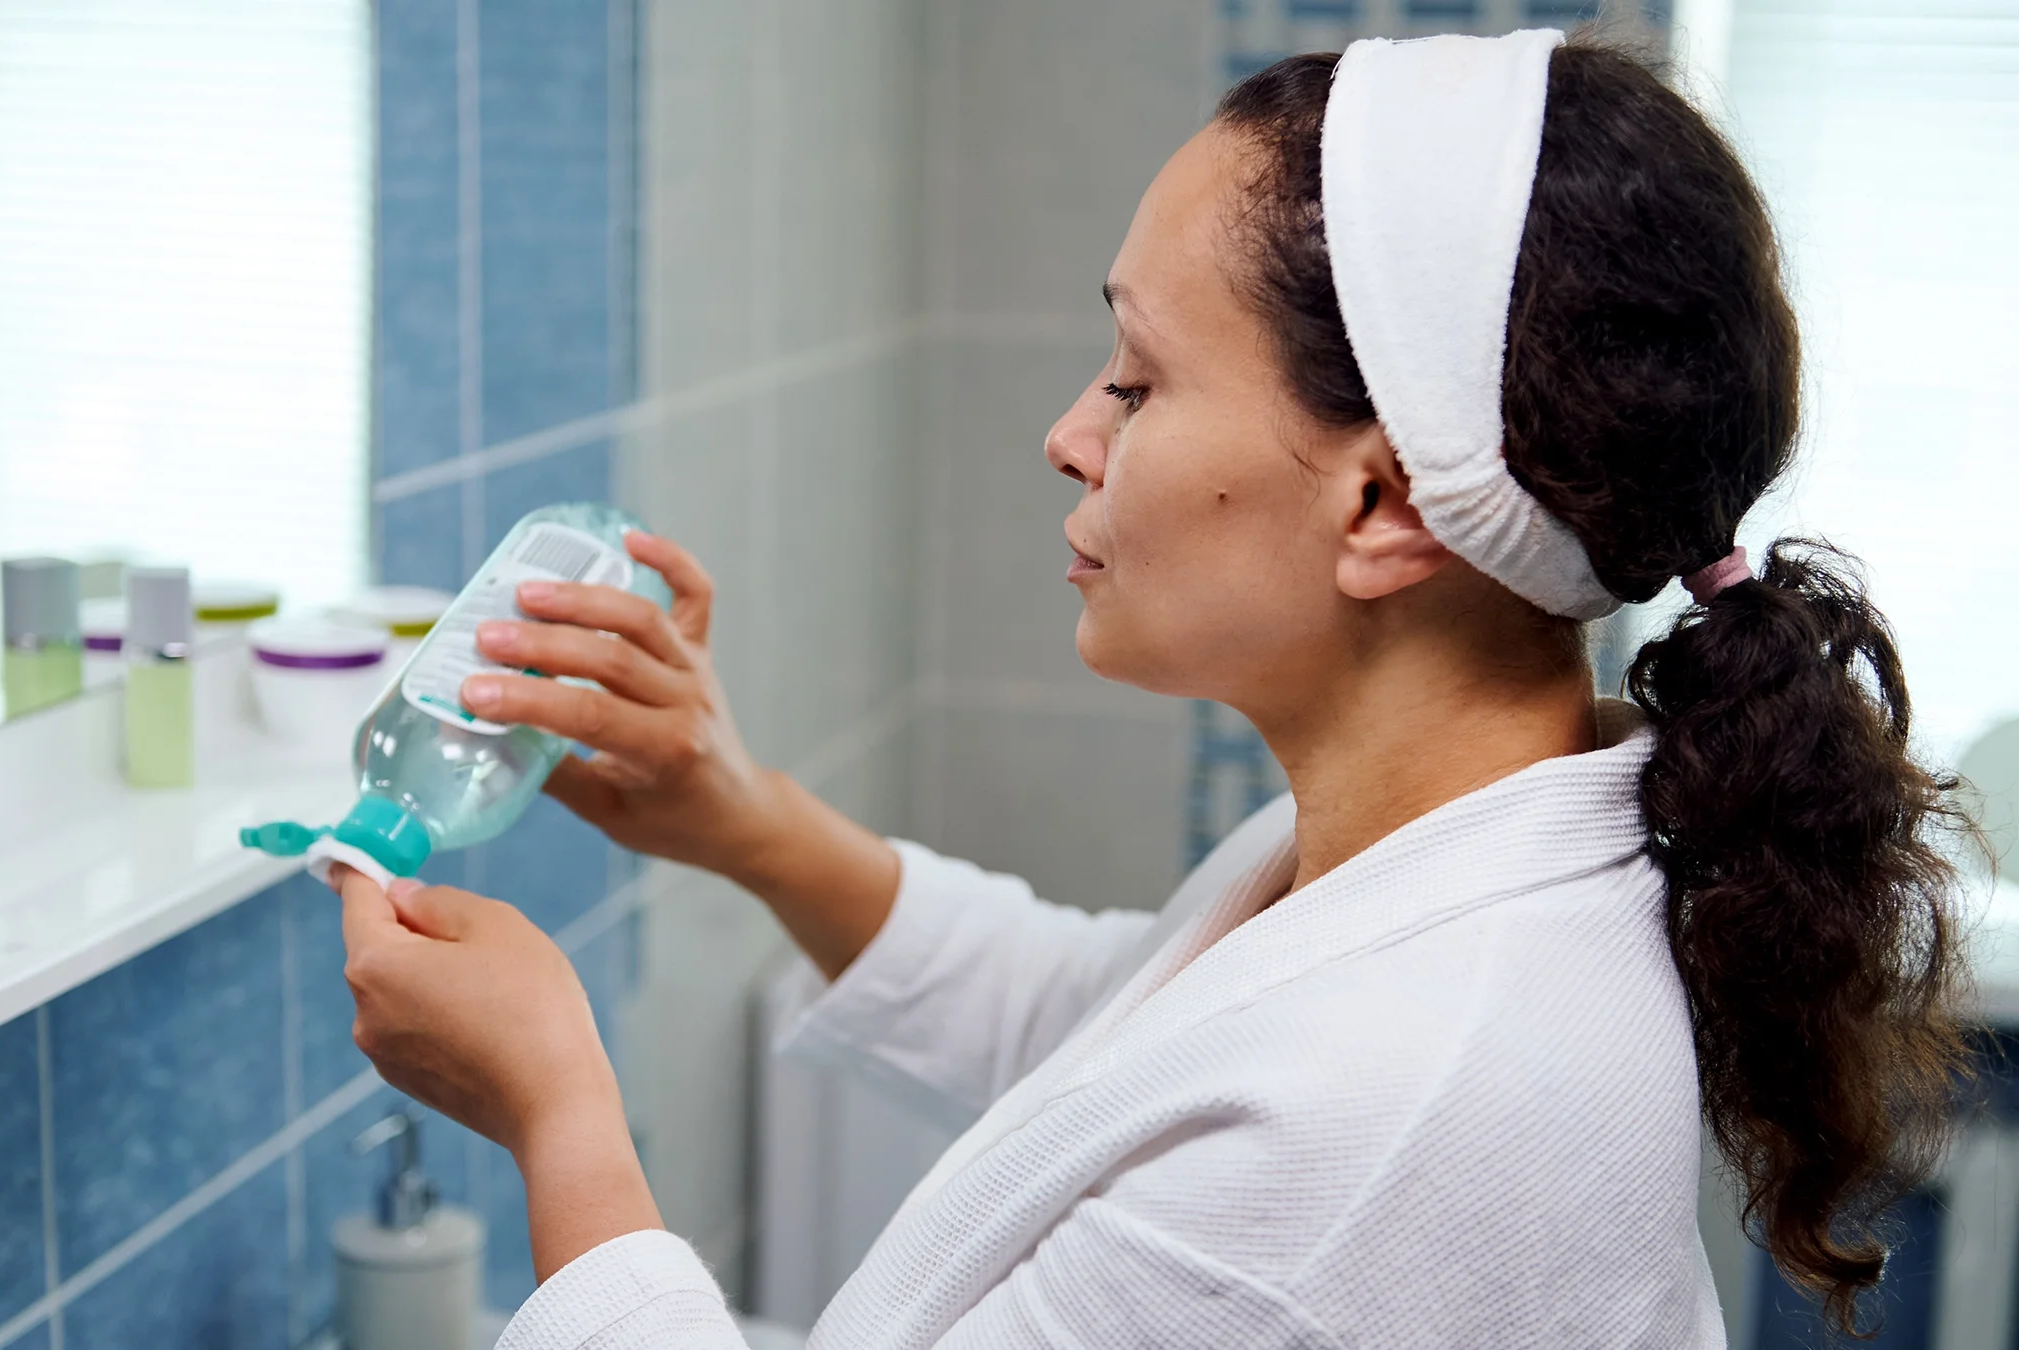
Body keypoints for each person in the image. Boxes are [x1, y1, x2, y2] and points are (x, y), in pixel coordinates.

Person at [328, 31, 1970, 1348]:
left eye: (1139, 374)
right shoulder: (1461, 838)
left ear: (1386, 504)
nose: (1072, 431)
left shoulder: (1390, 1126)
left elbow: (1248, 1137)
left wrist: (559, 1116)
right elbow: (1115, 1046)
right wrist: (744, 824)